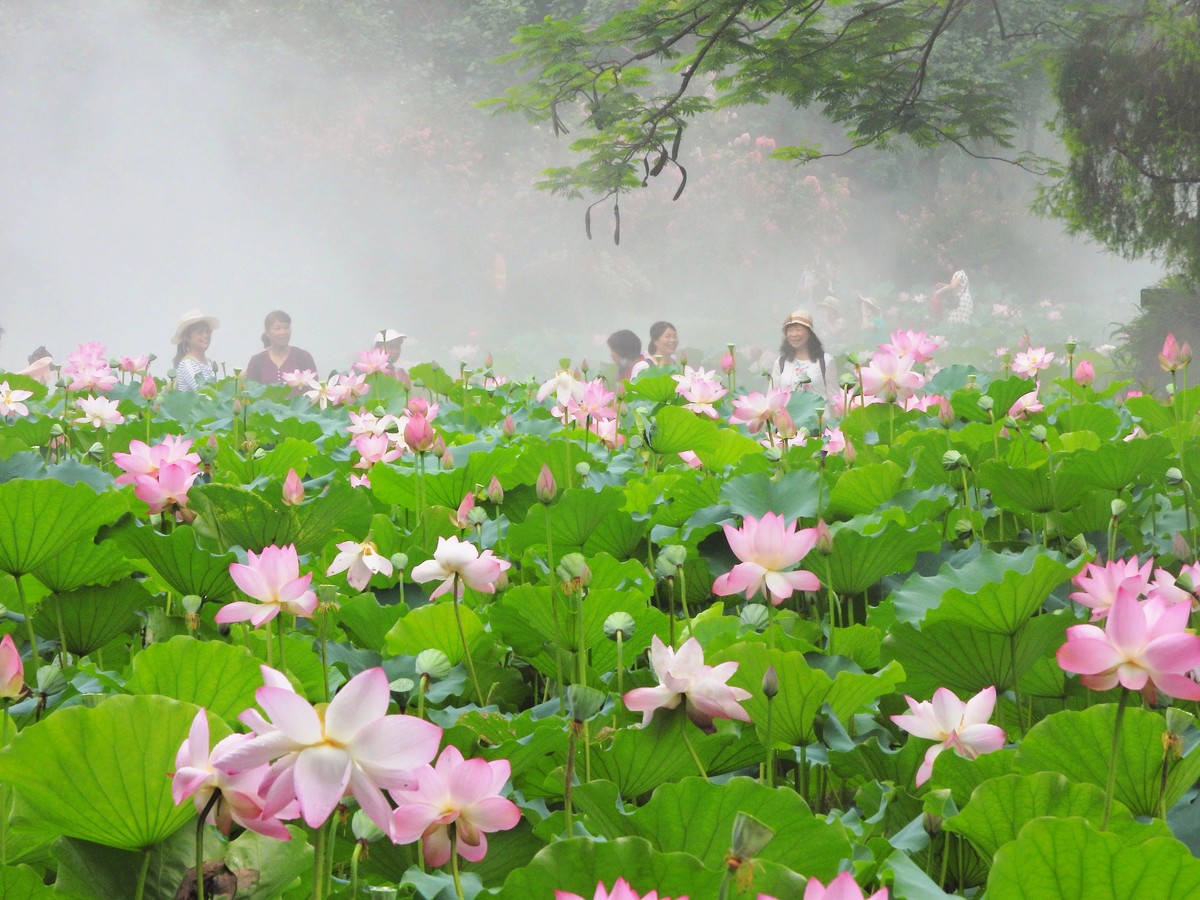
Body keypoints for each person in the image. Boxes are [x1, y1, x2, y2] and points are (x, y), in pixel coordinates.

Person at [770, 310, 837, 403]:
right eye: (790, 330)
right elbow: (772, 398)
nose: (793, 334)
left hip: (819, 417)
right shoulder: (781, 362)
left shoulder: (825, 361)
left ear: (809, 332)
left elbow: (835, 401)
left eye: (798, 329)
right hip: (789, 416)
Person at [244, 311, 317, 385]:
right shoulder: (257, 361)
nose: (283, 332)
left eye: (286, 327)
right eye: (277, 328)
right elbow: (250, 391)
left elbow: (314, 388)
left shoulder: (303, 357)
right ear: (267, 333)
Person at [172, 310, 220, 392]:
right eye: (200, 332)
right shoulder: (188, 364)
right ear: (187, 337)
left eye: (207, 332)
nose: (206, 335)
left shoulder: (209, 363)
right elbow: (203, 394)